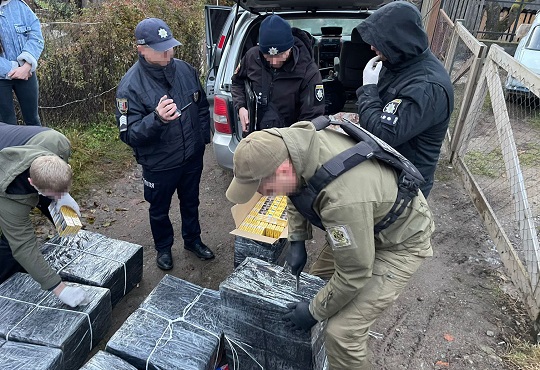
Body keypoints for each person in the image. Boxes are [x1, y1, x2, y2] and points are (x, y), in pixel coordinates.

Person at [226, 121, 434, 369]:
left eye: (262, 186)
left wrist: (313, 312)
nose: (264, 194)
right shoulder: (293, 145)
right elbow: (295, 188)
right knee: (316, 286)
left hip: (399, 242)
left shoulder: (342, 202)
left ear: (282, 169)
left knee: (342, 333)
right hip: (365, 221)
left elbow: (355, 272)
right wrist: (297, 239)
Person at [115, 18, 214, 271]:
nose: (169, 53)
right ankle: (163, 248)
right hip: (159, 164)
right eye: (161, 49)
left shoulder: (185, 70)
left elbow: (202, 106)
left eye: (170, 46)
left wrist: (202, 139)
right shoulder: (129, 87)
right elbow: (129, 134)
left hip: (191, 157)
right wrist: (157, 120)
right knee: (159, 210)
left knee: (191, 202)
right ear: (142, 49)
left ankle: (192, 240)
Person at [355, 1, 454, 197]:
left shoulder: (427, 87)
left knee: (386, 229)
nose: (372, 47)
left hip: (404, 187)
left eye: (379, 41)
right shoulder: (398, 63)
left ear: (398, 40)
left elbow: (383, 136)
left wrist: (368, 89)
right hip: (385, 173)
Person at [0, 123, 89, 307]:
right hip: (5, 179)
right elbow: (23, 246)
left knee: (55, 203)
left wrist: (63, 197)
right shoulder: (10, 199)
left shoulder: (58, 143)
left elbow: (53, 183)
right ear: (31, 183)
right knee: (12, 245)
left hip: (9, 141)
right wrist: (59, 289)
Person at [231, 14, 325, 133]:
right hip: (256, 135)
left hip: (291, 139)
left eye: (280, 55)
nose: (274, 61)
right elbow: (237, 82)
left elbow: (312, 119)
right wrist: (241, 107)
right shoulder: (252, 57)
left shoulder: (308, 71)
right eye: (268, 56)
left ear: (290, 47)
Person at [0, 0, 44, 126]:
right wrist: (15, 68)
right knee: (6, 125)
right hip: (1, 80)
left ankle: (37, 146)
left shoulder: (20, 6)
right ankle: (12, 146)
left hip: (27, 74)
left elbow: (36, 36)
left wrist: (27, 65)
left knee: (33, 121)